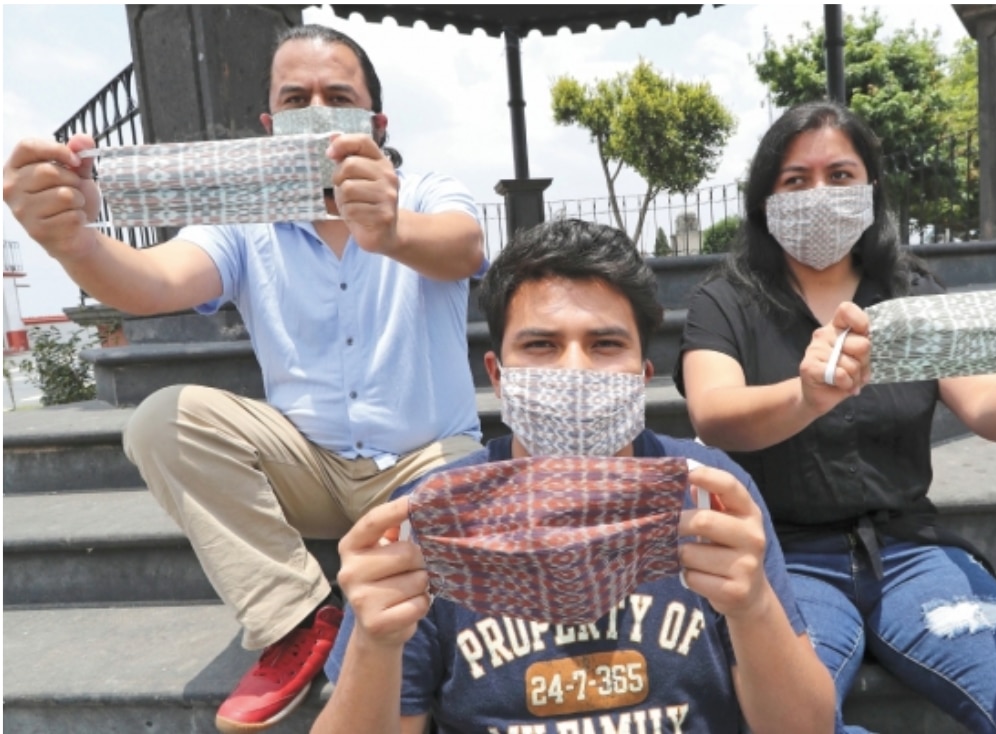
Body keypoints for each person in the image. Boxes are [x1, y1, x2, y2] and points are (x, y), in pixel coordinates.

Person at [2, 24, 486, 734]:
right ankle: (293, 616)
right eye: (295, 99)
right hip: (310, 466)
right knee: (163, 418)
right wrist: (72, 241)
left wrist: (388, 231)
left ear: (376, 122)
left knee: (458, 491)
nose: (314, 110)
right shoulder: (244, 219)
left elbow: (463, 247)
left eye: (337, 96)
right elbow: (155, 280)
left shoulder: (428, 191)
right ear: (268, 124)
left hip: (424, 461)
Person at [675, 100, 996, 733]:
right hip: (785, 559)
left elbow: (992, 407)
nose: (820, 193)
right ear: (765, 198)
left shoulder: (909, 292)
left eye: (840, 175)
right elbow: (716, 415)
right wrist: (806, 396)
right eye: (795, 180)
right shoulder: (723, 303)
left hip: (914, 554)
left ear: (870, 189)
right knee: (768, 720)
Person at [312, 218, 836, 734]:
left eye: (606, 345)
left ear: (643, 374)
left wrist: (753, 608)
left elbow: (807, 728)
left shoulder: (709, 495)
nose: (575, 370)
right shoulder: (432, 519)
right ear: (497, 375)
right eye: (541, 345)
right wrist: (374, 646)